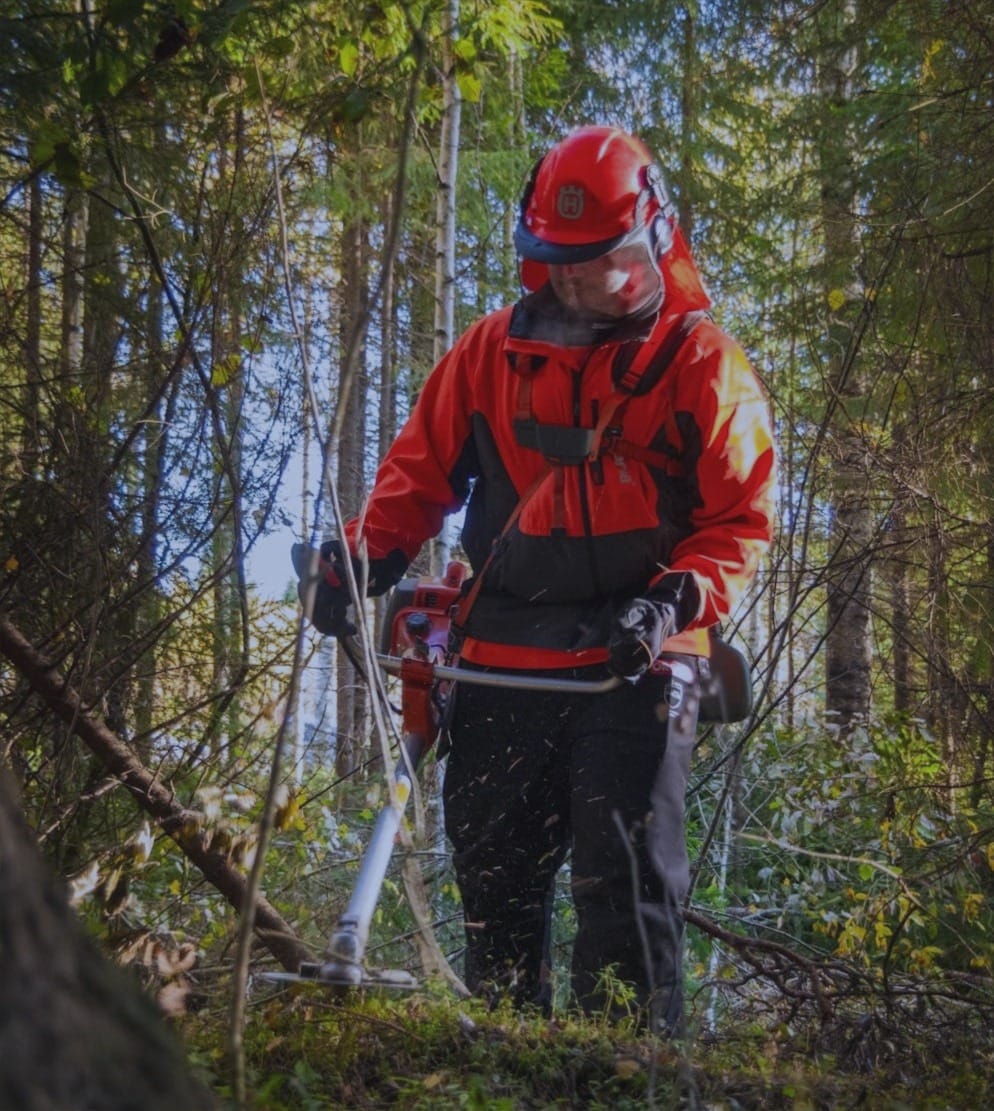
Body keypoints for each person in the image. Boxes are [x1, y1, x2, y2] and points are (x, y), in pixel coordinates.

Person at [295, 125, 776, 1035]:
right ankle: (505, 1065)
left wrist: (678, 595)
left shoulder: (705, 367)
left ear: (650, 243)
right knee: (495, 880)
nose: (579, 280)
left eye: (601, 260)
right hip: (504, 647)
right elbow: (416, 474)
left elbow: (740, 523)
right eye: (562, 261)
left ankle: (621, 1073)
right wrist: (362, 559)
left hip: (638, 653)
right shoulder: (490, 354)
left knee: (623, 883)